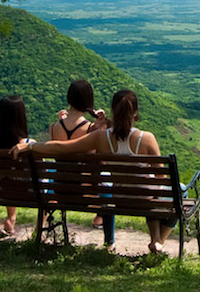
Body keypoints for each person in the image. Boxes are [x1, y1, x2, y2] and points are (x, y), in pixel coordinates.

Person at [12, 89, 175, 253]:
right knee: (178, 191)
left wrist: (31, 145)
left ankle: (156, 239)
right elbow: (160, 177)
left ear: (113, 111)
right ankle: (158, 239)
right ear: (136, 114)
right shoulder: (147, 138)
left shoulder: (101, 137)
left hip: (116, 197)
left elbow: (62, 147)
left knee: (151, 193)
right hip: (145, 199)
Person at [48, 79, 107, 228]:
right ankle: (101, 222)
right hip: (84, 192)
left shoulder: (54, 127)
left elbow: (60, 150)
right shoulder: (90, 129)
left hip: (59, 189)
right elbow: (100, 157)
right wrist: (101, 125)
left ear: (69, 98)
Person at [0, 95, 32, 236]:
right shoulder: (29, 144)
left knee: (8, 180)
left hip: (2, 191)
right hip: (30, 193)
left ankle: (11, 219)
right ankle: (39, 228)